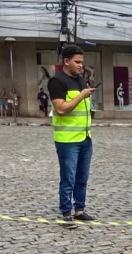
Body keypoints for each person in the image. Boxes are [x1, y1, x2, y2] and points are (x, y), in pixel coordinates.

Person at [48, 45, 97, 228]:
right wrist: (82, 96)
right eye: (77, 62)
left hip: (85, 137)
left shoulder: (81, 80)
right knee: (68, 177)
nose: (80, 65)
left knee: (82, 177)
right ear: (66, 61)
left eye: (82, 62)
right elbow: (61, 109)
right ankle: (66, 212)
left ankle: (79, 210)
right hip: (67, 140)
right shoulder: (57, 81)